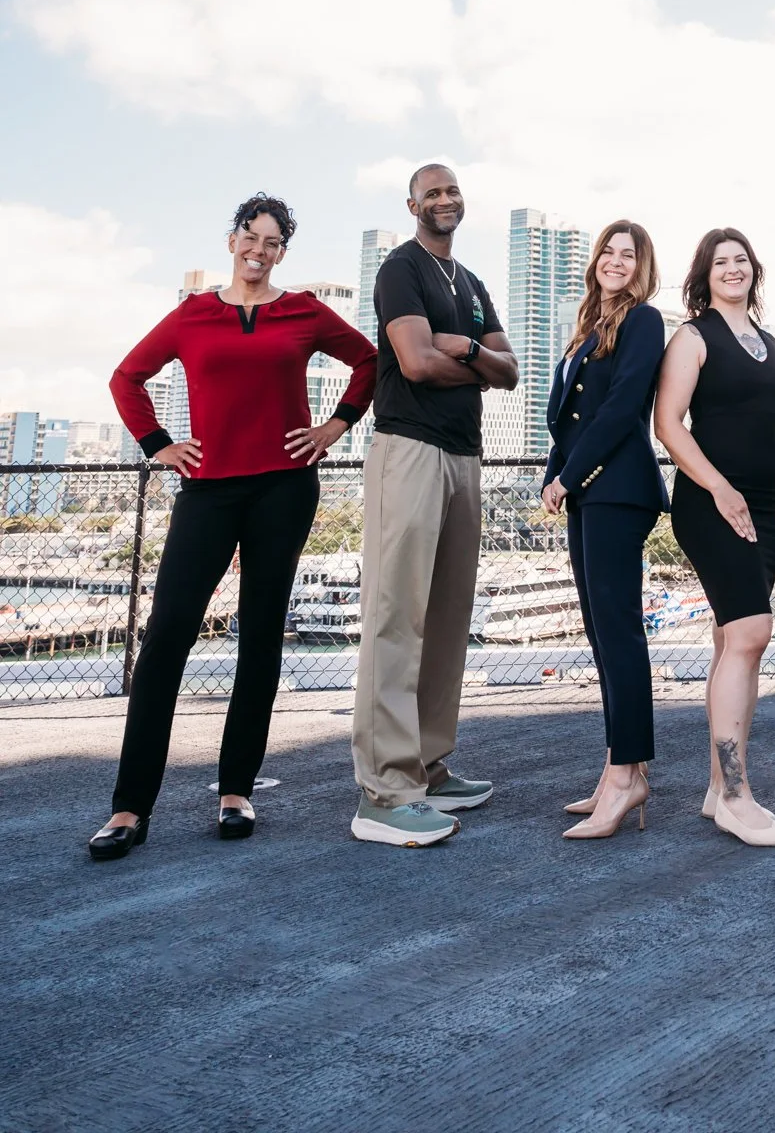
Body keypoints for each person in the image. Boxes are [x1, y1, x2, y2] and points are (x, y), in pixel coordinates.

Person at [91, 194, 376, 859]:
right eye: (251, 236)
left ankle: (236, 791)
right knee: (166, 640)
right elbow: (126, 378)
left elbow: (368, 361)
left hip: (284, 488)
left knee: (260, 639)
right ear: (232, 240)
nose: (260, 250)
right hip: (207, 491)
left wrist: (333, 428)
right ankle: (130, 807)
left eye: (273, 242)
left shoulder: (302, 310)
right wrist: (159, 442)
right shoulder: (192, 315)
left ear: (283, 251)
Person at [351, 163, 518, 848]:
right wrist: (467, 362)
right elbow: (415, 364)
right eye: (433, 191)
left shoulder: (471, 284)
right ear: (413, 202)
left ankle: (427, 761)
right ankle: (385, 791)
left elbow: (508, 371)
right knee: (396, 615)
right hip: (409, 448)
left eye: (453, 190)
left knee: (447, 616)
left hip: (463, 455)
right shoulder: (402, 269)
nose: (444, 200)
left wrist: (468, 346)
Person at [653, 227, 775, 848]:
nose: (733, 269)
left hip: (763, 506)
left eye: (741, 260)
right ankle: (735, 796)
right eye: (721, 261)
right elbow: (668, 424)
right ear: (704, 273)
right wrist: (720, 489)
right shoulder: (692, 338)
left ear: (755, 271)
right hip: (707, 501)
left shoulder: (769, 345)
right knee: (752, 632)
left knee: (733, 640)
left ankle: (717, 783)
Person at [540, 221, 667, 841]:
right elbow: (564, 417)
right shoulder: (590, 326)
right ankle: (618, 767)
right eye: (608, 252)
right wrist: (552, 474)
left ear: (642, 266)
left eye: (628, 254)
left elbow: (620, 409)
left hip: (616, 490)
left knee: (619, 635)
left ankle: (628, 778)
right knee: (600, 635)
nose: (615, 262)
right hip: (586, 491)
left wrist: (568, 476)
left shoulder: (643, 321)